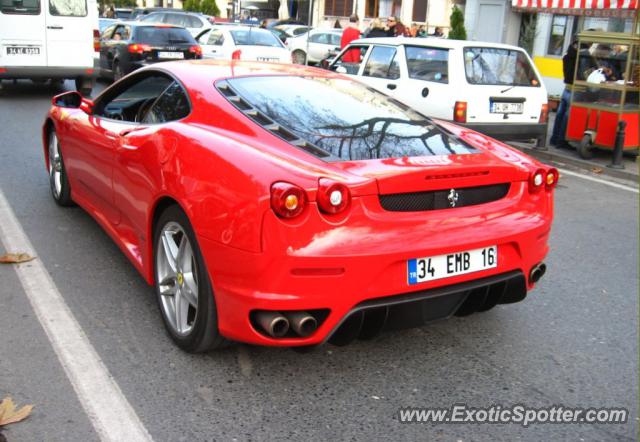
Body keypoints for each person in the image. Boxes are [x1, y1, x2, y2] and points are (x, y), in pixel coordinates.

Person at [549, 38, 577, 149]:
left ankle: (553, 139)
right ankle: (561, 141)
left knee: (560, 115)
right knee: (566, 116)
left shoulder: (566, 56)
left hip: (566, 88)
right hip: (575, 89)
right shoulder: (579, 58)